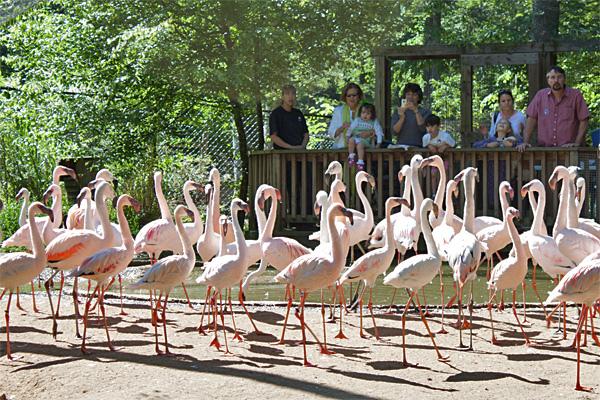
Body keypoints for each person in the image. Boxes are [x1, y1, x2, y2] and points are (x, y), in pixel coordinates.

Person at [517, 66, 590, 152]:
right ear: (548, 80)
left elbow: (584, 120)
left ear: (564, 79)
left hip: (570, 150)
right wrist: (525, 142)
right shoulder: (540, 96)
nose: (556, 80)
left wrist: (577, 143)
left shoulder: (575, 95)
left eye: (559, 77)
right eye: (552, 77)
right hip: (545, 151)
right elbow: (531, 119)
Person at [269, 84, 309, 149]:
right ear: (282, 97)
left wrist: (302, 146)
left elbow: (306, 133)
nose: (290, 96)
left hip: (300, 152)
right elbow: (274, 136)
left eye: (293, 94)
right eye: (287, 94)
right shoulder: (275, 114)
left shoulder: (298, 113)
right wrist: (290, 147)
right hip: (282, 153)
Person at [346, 103, 384, 171]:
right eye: (363, 113)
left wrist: (378, 143)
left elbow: (379, 132)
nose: (365, 115)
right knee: (351, 140)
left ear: (372, 114)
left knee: (360, 145)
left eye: (368, 113)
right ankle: (351, 156)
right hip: (356, 137)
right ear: (360, 113)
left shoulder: (374, 122)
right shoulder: (357, 120)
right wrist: (347, 137)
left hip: (365, 141)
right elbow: (351, 128)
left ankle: (360, 161)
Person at [327, 83, 363, 149]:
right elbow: (331, 132)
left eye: (354, 95)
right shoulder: (338, 111)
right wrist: (342, 128)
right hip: (341, 149)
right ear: (345, 97)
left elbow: (374, 128)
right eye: (349, 95)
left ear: (359, 96)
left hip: (362, 148)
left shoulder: (366, 110)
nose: (352, 97)